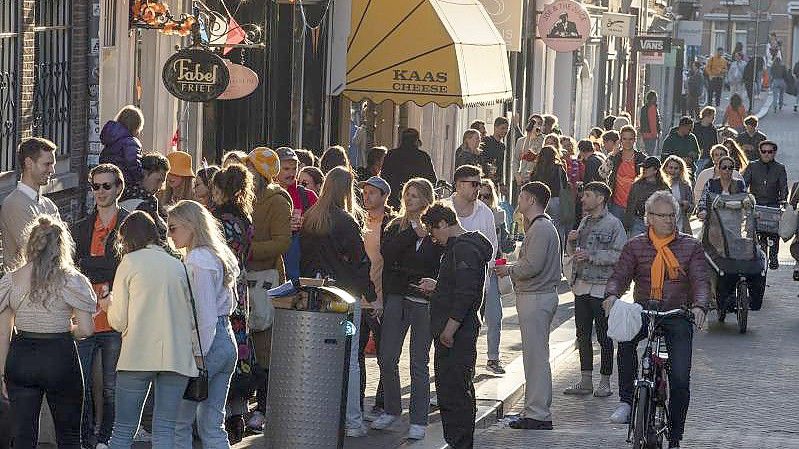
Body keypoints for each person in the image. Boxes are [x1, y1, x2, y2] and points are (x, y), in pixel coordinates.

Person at [604, 191, 709, 449]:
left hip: (676, 315)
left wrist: (699, 306)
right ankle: (627, 401)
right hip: (644, 311)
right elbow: (620, 274)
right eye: (662, 216)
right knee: (625, 341)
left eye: (672, 215)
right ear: (649, 218)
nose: (669, 221)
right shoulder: (635, 245)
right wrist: (611, 295)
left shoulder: (690, 246)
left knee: (681, 378)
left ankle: (675, 434)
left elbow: (700, 281)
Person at [105, 211, 199, 449]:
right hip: (176, 358)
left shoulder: (129, 262)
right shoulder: (178, 265)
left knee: (123, 430)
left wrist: (108, 305)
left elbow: (118, 322)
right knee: (165, 430)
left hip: (136, 356)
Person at [0, 216, 95, 448]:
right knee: (69, 437)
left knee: (22, 438)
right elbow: (86, 329)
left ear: (30, 244)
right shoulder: (72, 281)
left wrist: (2, 373)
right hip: (60, 356)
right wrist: (68, 330)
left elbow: (4, 334)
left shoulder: (10, 280)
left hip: (21, 358)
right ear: (61, 246)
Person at [300, 166, 374, 437]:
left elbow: (305, 259)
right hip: (345, 298)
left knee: (319, 355)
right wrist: (370, 292)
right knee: (350, 356)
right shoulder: (345, 221)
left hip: (318, 296)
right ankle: (352, 420)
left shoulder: (311, 218)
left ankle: (318, 414)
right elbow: (359, 261)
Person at [419, 202, 493, 447]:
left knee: (455, 392)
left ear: (442, 224)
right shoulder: (460, 248)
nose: (433, 238)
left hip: (457, 333)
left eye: (433, 232)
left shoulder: (463, 250)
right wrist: (438, 287)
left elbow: (466, 293)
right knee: (453, 390)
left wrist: (450, 328)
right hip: (455, 329)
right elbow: (459, 288)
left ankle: (460, 442)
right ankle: (458, 441)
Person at [169, 201, 239, 449]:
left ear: (190, 226)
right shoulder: (218, 254)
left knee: (180, 423)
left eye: (173, 227)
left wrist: (198, 355)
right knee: (212, 424)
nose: (170, 234)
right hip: (225, 338)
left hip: (206, 343)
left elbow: (204, 313)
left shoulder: (198, 260)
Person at [374, 178, 441, 440]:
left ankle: (418, 418)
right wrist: (412, 232)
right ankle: (391, 408)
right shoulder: (394, 225)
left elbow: (436, 262)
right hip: (397, 297)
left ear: (426, 198)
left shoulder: (436, 229)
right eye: (406, 194)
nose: (409, 199)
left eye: (414, 195)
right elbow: (387, 253)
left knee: (418, 362)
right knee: (387, 356)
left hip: (422, 301)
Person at [494, 182, 560, 430]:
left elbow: (532, 265)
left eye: (521, 197)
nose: (518, 201)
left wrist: (508, 269)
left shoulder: (541, 229)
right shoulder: (541, 227)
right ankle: (534, 409)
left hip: (536, 297)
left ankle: (538, 413)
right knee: (535, 356)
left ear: (531, 200)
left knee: (536, 358)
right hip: (536, 296)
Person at [73, 164, 129, 449]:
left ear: (119, 188)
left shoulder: (131, 224)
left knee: (111, 388)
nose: (100, 193)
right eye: (95, 187)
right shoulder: (82, 227)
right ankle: (85, 439)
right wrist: (103, 268)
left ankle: (107, 439)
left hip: (115, 319)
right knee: (80, 386)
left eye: (106, 186)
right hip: (83, 317)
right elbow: (73, 268)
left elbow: (123, 269)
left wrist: (91, 266)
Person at [244, 147, 292, 432]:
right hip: (244, 275)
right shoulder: (244, 197)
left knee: (264, 344)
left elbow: (282, 242)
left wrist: (246, 250)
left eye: (251, 168)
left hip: (265, 277)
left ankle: (264, 407)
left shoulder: (276, 201)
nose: (246, 172)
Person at [562, 182, 625, 397]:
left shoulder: (614, 224)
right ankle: (586, 380)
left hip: (601, 287)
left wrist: (592, 257)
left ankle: (605, 381)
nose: (582, 199)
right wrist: (570, 243)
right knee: (582, 334)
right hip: (581, 286)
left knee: (605, 336)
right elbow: (574, 252)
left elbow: (620, 255)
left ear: (600, 199)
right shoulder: (584, 222)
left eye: (587, 195)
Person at [209, 164, 255, 443]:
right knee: (239, 348)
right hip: (240, 287)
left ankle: (221, 412)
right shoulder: (245, 220)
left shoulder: (218, 222)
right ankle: (238, 412)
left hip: (221, 287)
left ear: (220, 190)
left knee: (218, 346)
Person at [358, 176, 394, 422]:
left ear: (384, 196)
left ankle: (382, 402)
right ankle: (356, 402)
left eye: (372, 192)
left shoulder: (391, 224)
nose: (367, 196)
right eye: (365, 191)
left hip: (381, 298)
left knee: (385, 354)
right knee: (355, 354)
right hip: (357, 297)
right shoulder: (357, 219)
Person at [0, 137, 60, 266]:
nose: (52, 170)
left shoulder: (49, 205)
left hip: (50, 281)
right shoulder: (14, 204)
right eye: (47, 164)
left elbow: (64, 246)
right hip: (23, 284)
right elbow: (34, 251)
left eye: (53, 165)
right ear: (29, 163)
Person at [479, 179, 515, 374]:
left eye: (487, 196)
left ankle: (493, 358)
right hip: (473, 272)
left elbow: (506, 245)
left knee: (495, 316)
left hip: (492, 271)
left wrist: (506, 233)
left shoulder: (497, 215)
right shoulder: (469, 214)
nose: (483, 199)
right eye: (480, 196)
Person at [441, 165, 499, 276]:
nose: (478, 189)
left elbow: (492, 247)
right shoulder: (443, 208)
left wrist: (484, 276)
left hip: (475, 280)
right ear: (459, 185)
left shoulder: (485, 213)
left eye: (479, 185)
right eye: (474, 184)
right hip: (444, 277)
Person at [274, 147, 319, 281]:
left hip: (302, 266)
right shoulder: (265, 195)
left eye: (294, 169)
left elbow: (319, 227)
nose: (291, 173)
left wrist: (305, 224)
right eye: (286, 169)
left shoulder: (308, 196)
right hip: (272, 263)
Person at [743, 140, 788, 270]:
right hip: (756, 204)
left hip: (773, 204)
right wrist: (745, 198)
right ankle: (759, 257)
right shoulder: (752, 166)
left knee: (774, 232)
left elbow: (783, 187)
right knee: (757, 231)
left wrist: (783, 201)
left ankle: (773, 257)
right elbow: (744, 183)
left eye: (770, 152)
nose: (766, 154)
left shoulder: (780, 168)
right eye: (764, 151)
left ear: (774, 153)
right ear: (760, 152)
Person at [598, 126, 647, 221]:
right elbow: (602, 173)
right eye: (624, 139)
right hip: (616, 205)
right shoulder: (615, 156)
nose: (627, 142)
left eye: (630, 139)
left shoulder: (642, 158)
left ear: (635, 140)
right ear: (620, 140)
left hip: (635, 206)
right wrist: (613, 153)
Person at [119, 152, 170, 241]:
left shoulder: (121, 195)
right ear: (145, 173)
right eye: (158, 180)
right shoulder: (147, 203)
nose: (160, 187)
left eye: (162, 182)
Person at [382, 128, 437, 209]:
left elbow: (384, 178)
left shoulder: (391, 155)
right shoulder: (423, 157)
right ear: (416, 141)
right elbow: (431, 180)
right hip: (418, 202)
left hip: (394, 201)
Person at [530, 146, 571, 244]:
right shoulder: (559, 169)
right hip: (556, 200)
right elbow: (565, 184)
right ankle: (558, 250)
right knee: (558, 227)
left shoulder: (536, 170)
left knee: (540, 227)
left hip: (540, 202)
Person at [624, 156, 670, 237]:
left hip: (657, 223)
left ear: (656, 170)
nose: (644, 169)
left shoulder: (663, 188)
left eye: (647, 167)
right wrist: (627, 225)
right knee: (637, 247)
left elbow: (668, 208)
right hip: (639, 221)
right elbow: (630, 206)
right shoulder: (637, 185)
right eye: (643, 167)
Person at [99, 105, 144, 186]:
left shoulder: (111, 140)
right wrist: (140, 177)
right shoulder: (131, 142)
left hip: (108, 182)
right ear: (136, 126)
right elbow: (133, 163)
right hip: (124, 182)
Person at [662, 156, 694, 234]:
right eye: (670, 167)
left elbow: (692, 207)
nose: (673, 170)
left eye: (676, 168)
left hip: (681, 226)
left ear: (680, 170)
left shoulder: (685, 185)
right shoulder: (661, 185)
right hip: (663, 225)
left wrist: (687, 205)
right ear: (665, 168)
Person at [514, 114, 544, 184]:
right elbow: (516, 159)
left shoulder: (544, 140)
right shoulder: (521, 141)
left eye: (539, 124)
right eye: (534, 123)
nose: (536, 126)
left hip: (537, 178)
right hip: (523, 178)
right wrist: (516, 175)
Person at [480, 117, 510, 184]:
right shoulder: (486, 141)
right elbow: (481, 158)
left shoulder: (502, 146)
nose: (505, 131)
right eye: (502, 128)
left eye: (507, 128)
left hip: (496, 181)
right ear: (495, 127)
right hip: (485, 179)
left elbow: (501, 165)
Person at [693, 107, 718, 171]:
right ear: (706, 116)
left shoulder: (713, 129)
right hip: (696, 157)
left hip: (707, 158)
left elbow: (715, 144)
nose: (714, 118)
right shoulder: (695, 127)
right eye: (712, 116)